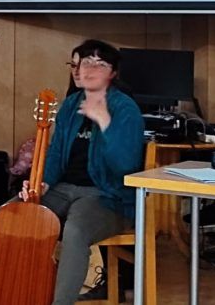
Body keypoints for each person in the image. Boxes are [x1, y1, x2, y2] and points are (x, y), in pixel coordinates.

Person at [20, 40, 144, 305]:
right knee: (8, 215)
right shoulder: (71, 104)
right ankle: (24, 290)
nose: (88, 69)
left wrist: (104, 121)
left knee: (75, 232)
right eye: (86, 62)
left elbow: (125, 166)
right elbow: (54, 155)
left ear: (113, 73)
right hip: (63, 189)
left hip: (107, 196)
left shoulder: (125, 109)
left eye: (100, 64)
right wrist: (41, 183)